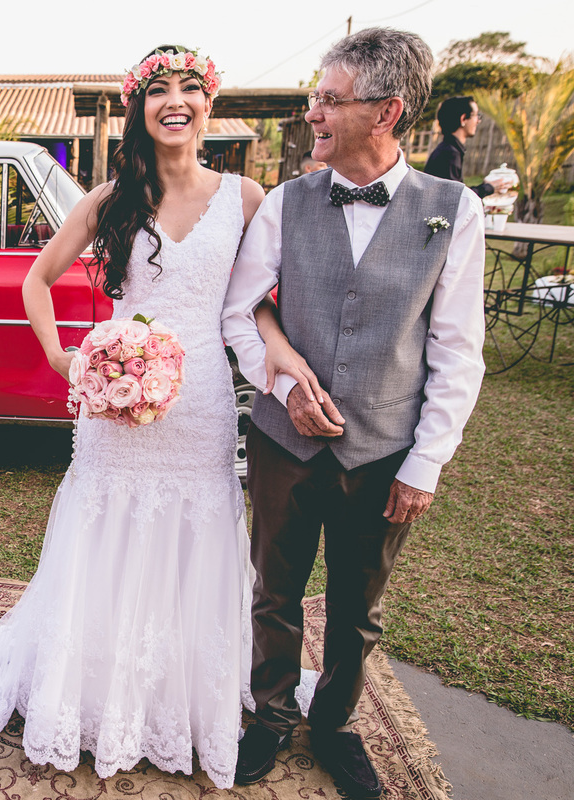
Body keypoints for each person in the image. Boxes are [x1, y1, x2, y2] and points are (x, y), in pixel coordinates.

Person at [0, 44, 283, 788]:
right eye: (159, 90)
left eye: (190, 88)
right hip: (113, 405)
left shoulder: (247, 199)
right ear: (140, 107)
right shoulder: (108, 199)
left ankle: (177, 702)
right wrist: (66, 358)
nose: (175, 101)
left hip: (202, 409)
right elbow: (38, 278)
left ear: (209, 105)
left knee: (194, 536)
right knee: (108, 532)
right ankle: (88, 696)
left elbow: (257, 303)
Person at [221, 28, 486, 799]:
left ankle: (333, 724)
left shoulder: (454, 211)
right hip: (282, 446)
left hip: (385, 452)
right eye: (316, 97)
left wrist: (426, 460)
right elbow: (241, 315)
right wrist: (282, 392)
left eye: (330, 100)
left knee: (356, 609)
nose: (314, 114)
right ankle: (268, 718)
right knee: (274, 592)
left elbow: (457, 348)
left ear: (387, 111)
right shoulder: (284, 201)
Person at [423, 96, 508, 197]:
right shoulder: (450, 154)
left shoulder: (448, 149)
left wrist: (485, 186)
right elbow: (456, 198)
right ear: (463, 119)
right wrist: (488, 188)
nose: (478, 121)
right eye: (476, 115)